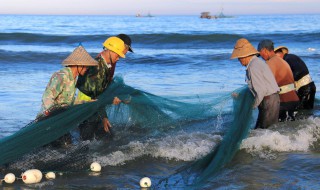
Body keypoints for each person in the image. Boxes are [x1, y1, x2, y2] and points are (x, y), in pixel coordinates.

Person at [38, 45, 98, 146]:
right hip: (49, 120)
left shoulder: (74, 78)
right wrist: (51, 114)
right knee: (64, 145)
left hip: (61, 120)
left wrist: (85, 102)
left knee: (67, 145)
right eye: (86, 65)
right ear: (78, 64)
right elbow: (47, 97)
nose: (87, 68)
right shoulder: (61, 76)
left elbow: (70, 101)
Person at [76, 35, 132, 141]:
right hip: (86, 110)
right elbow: (94, 96)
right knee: (85, 144)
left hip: (94, 109)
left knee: (106, 138)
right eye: (118, 55)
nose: (119, 58)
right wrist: (110, 102)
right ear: (110, 51)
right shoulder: (96, 68)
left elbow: (99, 93)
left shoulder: (105, 65)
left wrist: (104, 116)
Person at [231, 38, 280, 129]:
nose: (239, 61)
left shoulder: (253, 66)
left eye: (239, 58)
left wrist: (252, 106)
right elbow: (256, 88)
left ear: (244, 56)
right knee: (264, 130)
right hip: (271, 99)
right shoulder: (256, 63)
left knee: (264, 131)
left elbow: (261, 90)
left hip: (269, 101)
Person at [258, 40, 300, 121]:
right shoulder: (283, 61)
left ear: (265, 51)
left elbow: (265, 85)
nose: (261, 56)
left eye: (260, 53)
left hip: (284, 102)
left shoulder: (270, 63)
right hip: (294, 100)